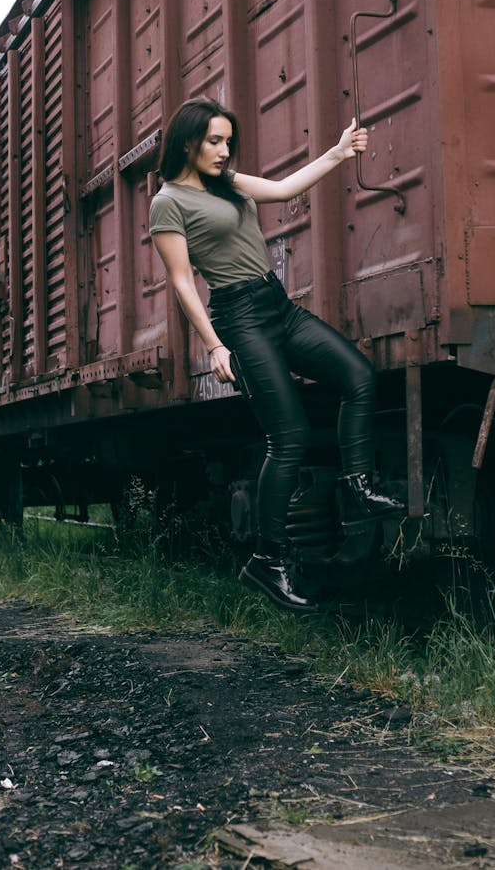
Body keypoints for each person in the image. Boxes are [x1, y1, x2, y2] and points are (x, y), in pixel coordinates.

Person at [149, 96, 402, 613]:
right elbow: (181, 280)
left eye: (227, 141)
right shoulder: (167, 202)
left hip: (277, 305)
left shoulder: (229, 183)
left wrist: (336, 153)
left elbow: (285, 190)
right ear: (187, 141)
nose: (223, 151)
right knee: (288, 438)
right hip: (239, 319)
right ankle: (269, 559)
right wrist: (214, 345)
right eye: (214, 141)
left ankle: (359, 485)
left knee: (357, 376)